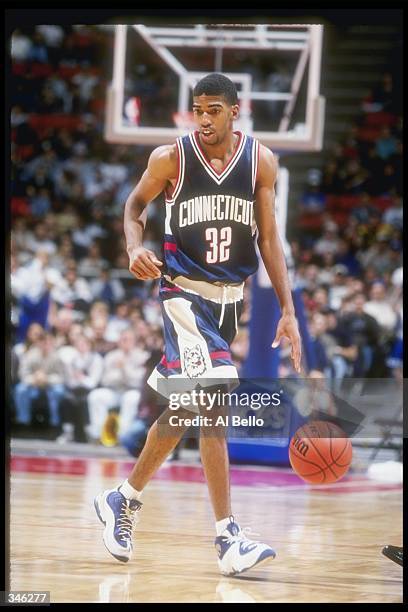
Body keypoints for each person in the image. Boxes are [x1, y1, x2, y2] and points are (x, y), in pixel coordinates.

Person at [94, 73, 301, 575]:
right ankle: (228, 536)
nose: (203, 119)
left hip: (229, 303)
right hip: (182, 294)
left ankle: (123, 498)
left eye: (213, 110)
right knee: (212, 404)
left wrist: (288, 310)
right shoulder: (171, 158)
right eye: (197, 109)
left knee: (187, 409)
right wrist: (133, 245)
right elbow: (134, 205)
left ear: (236, 110)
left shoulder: (261, 162)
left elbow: (270, 241)